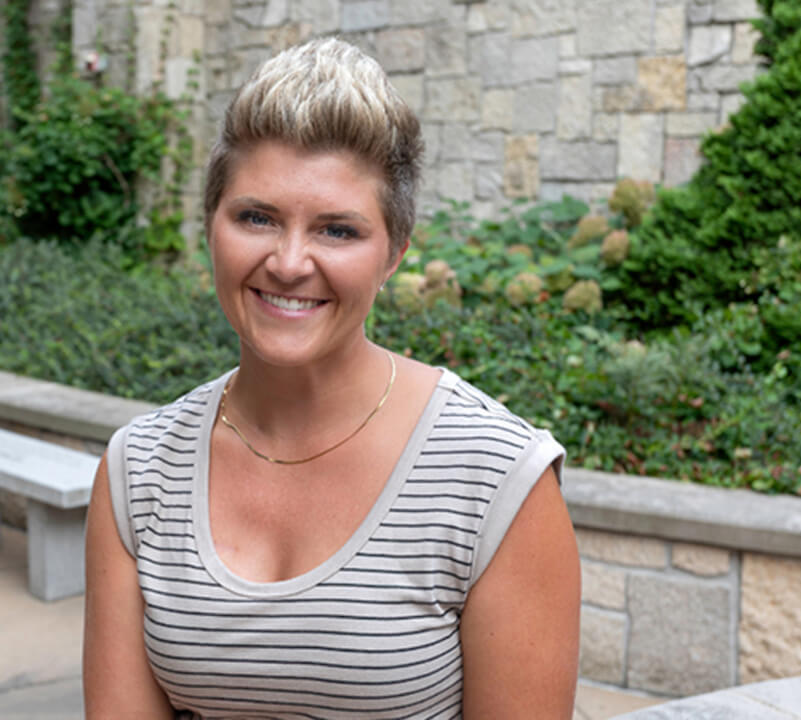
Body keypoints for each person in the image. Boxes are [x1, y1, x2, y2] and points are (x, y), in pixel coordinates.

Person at [83, 37, 580, 719]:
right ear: (211, 227)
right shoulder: (138, 471)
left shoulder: (495, 479)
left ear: (395, 252)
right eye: (256, 217)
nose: (289, 262)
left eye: (338, 230)